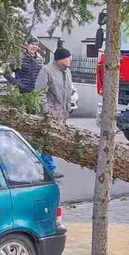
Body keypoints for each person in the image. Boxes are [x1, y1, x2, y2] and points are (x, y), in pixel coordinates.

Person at [34, 47, 75, 178]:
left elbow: (68, 91)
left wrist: (67, 109)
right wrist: (47, 111)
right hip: (49, 114)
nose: (71, 59)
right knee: (46, 141)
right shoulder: (47, 70)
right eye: (68, 57)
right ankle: (47, 169)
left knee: (49, 142)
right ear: (60, 59)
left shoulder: (67, 71)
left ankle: (44, 168)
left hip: (62, 114)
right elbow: (40, 92)